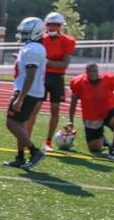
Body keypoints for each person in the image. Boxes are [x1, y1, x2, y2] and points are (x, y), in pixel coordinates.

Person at [26, 11, 76, 151]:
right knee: (34, 108)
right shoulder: (40, 39)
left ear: (61, 26)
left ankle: (48, 141)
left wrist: (45, 61)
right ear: (45, 25)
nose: (53, 27)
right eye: (50, 24)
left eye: (56, 24)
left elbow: (64, 65)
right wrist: (50, 63)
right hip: (42, 76)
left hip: (56, 78)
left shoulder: (68, 41)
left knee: (55, 110)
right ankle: (27, 138)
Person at [4, 17, 47, 169]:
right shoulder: (33, 47)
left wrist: (20, 98)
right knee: (20, 125)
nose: (22, 35)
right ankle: (20, 157)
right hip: (32, 92)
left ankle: (35, 152)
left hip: (27, 92)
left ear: (35, 32)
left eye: (26, 32)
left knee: (12, 124)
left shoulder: (32, 49)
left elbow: (31, 74)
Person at [68, 63, 114, 160]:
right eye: (90, 71)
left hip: (109, 110)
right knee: (94, 149)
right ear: (86, 73)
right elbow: (73, 101)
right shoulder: (80, 82)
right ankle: (102, 139)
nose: (93, 73)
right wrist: (71, 121)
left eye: (95, 70)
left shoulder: (107, 79)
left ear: (98, 71)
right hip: (92, 116)